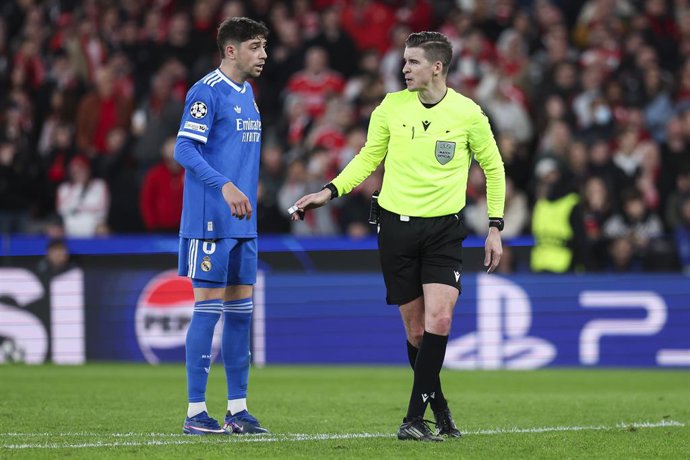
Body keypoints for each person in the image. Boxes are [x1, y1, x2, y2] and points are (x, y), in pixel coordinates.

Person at [289, 31, 505, 442]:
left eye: (413, 62)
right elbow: (369, 157)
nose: (404, 68)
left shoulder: (468, 113)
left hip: (444, 230)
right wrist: (328, 191)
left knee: (440, 317)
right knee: (417, 333)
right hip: (396, 228)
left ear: (437, 67)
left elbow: (494, 168)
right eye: (404, 62)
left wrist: (495, 226)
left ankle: (412, 418)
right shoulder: (390, 107)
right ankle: (439, 409)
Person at [173, 17, 269, 436]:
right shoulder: (206, 91)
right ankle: (196, 412)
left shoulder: (249, 94)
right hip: (210, 218)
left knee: (241, 315)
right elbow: (183, 148)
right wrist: (226, 184)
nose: (263, 54)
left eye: (264, 46)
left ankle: (237, 410)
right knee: (208, 310)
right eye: (254, 46)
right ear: (231, 50)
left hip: (243, 224)